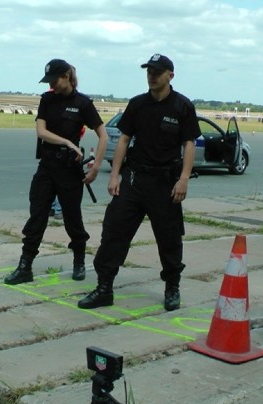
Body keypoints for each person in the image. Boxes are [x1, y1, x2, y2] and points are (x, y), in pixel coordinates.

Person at [77, 54, 201, 311]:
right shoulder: (137, 104)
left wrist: (184, 179)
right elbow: (123, 140)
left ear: (170, 75)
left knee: (169, 239)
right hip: (134, 180)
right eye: (149, 71)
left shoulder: (182, 107)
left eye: (157, 71)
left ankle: (172, 287)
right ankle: (104, 288)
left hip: (165, 183)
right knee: (114, 233)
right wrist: (115, 175)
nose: (152, 75)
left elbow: (189, 143)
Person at [4, 59, 108, 285]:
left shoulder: (82, 103)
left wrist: (96, 168)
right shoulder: (47, 100)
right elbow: (41, 132)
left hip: (69, 171)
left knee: (73, 219)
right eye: (49, 81)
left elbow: (104, 135)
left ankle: (79, 261)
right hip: (47, 166)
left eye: (54, 80)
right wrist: (67, 143)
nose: (51, 85)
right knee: (37, 216)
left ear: (66, 77)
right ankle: (25, 266)